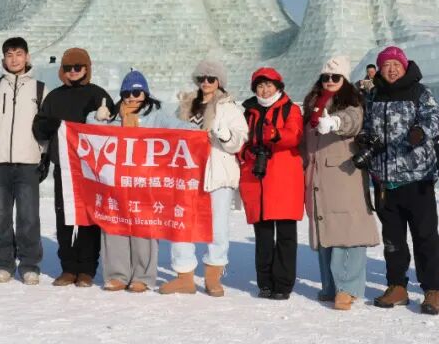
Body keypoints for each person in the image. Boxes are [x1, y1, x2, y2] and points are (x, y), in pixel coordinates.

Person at [361, 45, 439, 314]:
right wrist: (364, 139)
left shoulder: (419, 92)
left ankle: (432, 289)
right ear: (379, 69)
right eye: (386, 65)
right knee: (393, 240)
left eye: (396, 64)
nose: (391, 69)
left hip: (417, 178)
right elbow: (365, 125)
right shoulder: (374, 95)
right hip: (385, 180)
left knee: (425, 237)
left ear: (405, 66)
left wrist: (421, 131)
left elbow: (436, 119)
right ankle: (397, 286)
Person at [161, 59, 248, 297]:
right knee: (182, 222)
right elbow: (170, 133)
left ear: (219, 81)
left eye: (211, 78)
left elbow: (240, 140)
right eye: (202, 78)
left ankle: (213, 276)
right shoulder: (186, 105)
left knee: (217, 226)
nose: (206, 83)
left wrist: (225, 135)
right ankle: (184, 276)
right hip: (187, 172)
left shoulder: (229, 107)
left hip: (217, 171)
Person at [31, 47, 116, 287]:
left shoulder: (98, 95)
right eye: (68, 68)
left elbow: (114, 128)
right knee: (65, 216)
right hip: (64, 166)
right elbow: (39, 127)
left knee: (89, 217)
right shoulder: (55, 97)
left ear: (86, 69)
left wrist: (106, 117)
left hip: (91, 169)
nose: (73, 71)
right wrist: (50, 125)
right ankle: (68, 267)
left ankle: (87, 268)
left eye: (78, 67)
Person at [90, 69, 179, 292]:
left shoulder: (157, 116)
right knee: (115, 225)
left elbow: (181, 129)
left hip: (144, 181)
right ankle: (117, 275)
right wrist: (95, 116)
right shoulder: (114, 116)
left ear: (145, 94)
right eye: (126, 93)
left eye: (136, 93)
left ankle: (143, 276)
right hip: (117, 181)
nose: (131, 97)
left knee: (144, 227)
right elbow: (90, 130)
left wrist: (203, 132)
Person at [302, 56, 379, 310]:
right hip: (318, 176)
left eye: (335, 77)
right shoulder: (313, 104)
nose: (330, 81)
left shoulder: (352, 102)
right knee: (325, 229)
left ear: (344, 79)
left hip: (344, 176)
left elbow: (352, 120)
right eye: (325, 77)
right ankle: (331, 286)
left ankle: (347, 288)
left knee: (347, 231)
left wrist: (334, 122)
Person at [0, 37, 46, 285]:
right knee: (0, 216)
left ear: (27, 57)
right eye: (9, 55)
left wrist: (44, 155)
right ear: (4, 58)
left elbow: (45, 127)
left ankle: (29, 265)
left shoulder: (39, 89)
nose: (14, 59)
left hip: (28, 161)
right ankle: (4, 264)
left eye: (19, 54)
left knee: (29, 217)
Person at [238, 67, 304, 301]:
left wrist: (276, 134)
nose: (264, 90)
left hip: (284, 179)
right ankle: (265, 283)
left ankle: (283, 284)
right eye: (260, 86)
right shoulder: (249, 112)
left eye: (268, 85)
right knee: (263, 237)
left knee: (286, 236)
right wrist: (245, 153)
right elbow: (241, 140)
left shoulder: (291, 109)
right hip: (258, 179)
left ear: (278, 87)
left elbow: (295, 135)